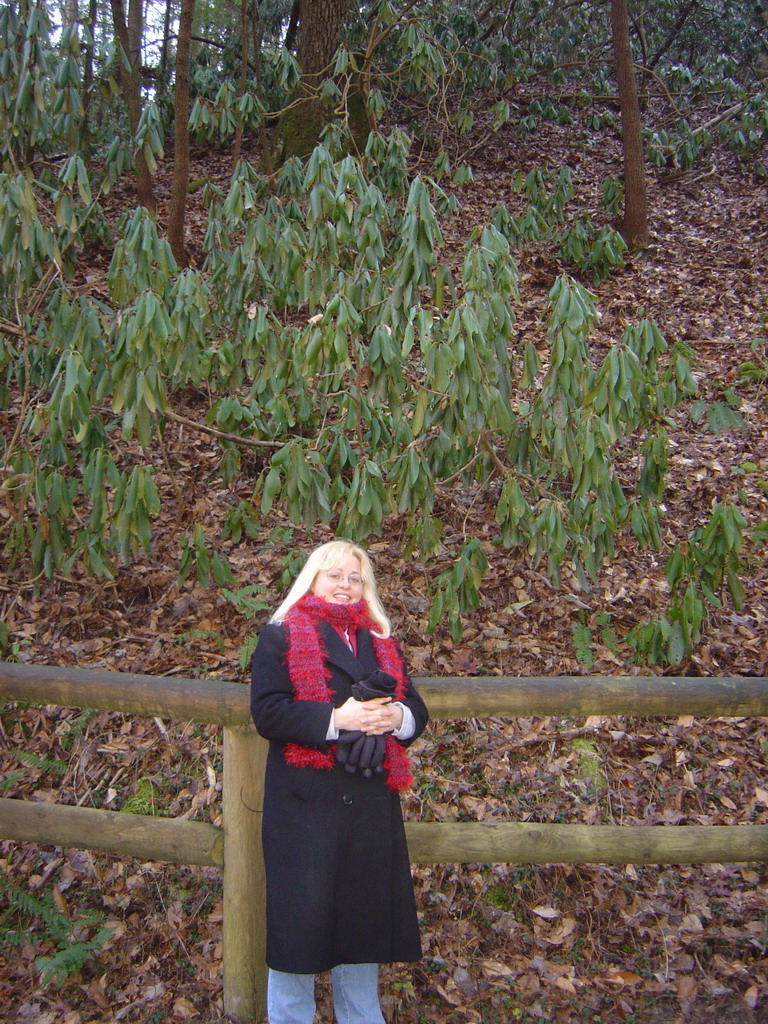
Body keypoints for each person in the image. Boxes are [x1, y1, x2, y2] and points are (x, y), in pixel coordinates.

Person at [250, 539, 429, 1024]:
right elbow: (268, 713)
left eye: (355, 578)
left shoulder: (380, 641)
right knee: (297, 935)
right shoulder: (280, 636)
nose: (345, 586)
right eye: (335, 575)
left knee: (360, 933)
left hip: (368, 807)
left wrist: (395, 716)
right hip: (304, 811)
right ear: (313, 579)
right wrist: (338, 719)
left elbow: (417, 711)